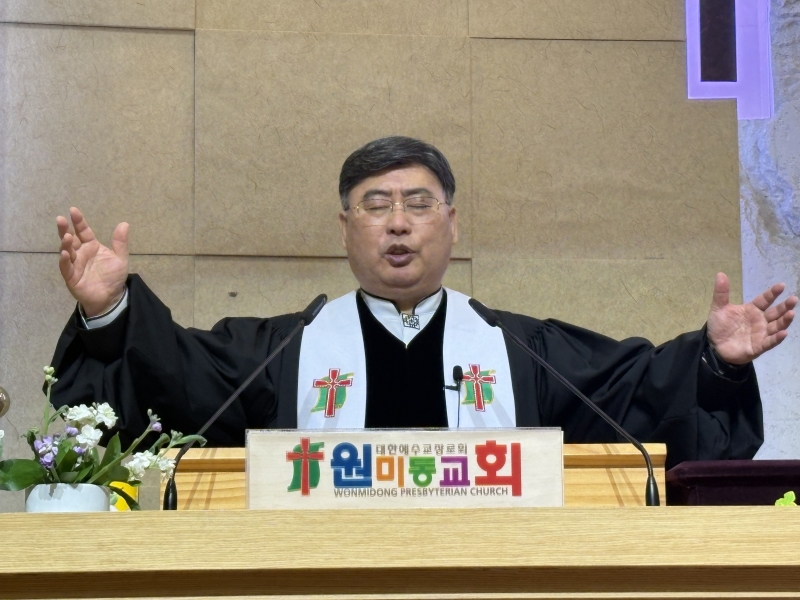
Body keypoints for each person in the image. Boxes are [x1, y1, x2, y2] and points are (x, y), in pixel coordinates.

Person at [49, 137, 796, 468]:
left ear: (453, 224)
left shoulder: (522, 351)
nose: (399, 223)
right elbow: (175, 380)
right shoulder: (281, 352)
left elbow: (638, 396)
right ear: (346, 229)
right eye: (376, 205)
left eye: (418, 204)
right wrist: (109, 315)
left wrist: (715, 362)